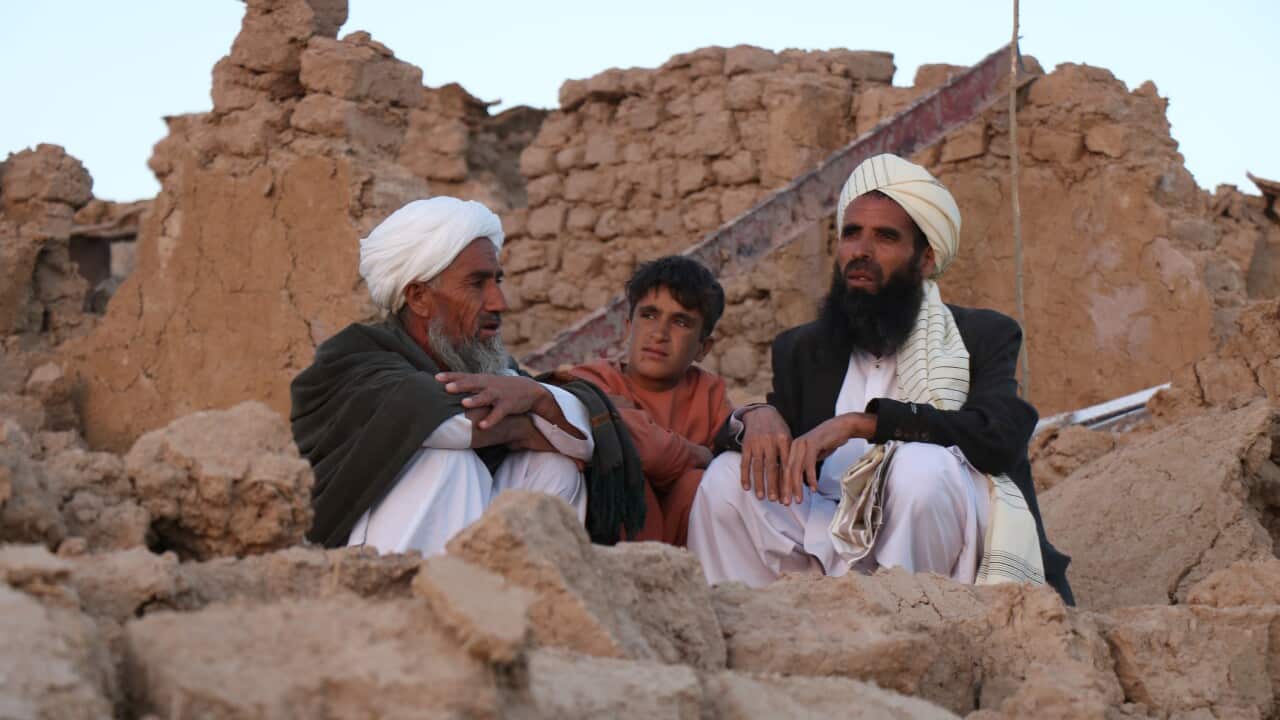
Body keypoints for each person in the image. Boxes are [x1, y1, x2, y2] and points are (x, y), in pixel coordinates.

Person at [687, 153, 1072, 603]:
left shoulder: (981, 334)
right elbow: (756, 438)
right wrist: (756, 415)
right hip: (826, 533)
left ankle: (904, 625)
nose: (861, 252)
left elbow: (1001, 434)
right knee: (728, 477)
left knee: (920, 467)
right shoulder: (804, 348)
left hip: (944, 550)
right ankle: (742, 624)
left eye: (885, 237)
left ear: (925, 259)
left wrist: (861, 423)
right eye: (851, 234)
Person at [291, 197, 621, 557]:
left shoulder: (479, 362)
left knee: (554, 469)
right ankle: (407, 599)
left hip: (474, 556)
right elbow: (445, 423)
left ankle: (519, 604)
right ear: (418, 297)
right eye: (477, 284)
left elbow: (581, 437)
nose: (499, 302)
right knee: (449, 459)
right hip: (357, 557)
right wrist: (523, 429)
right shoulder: (355, 356)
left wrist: (536, 395)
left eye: (497, 280)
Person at [570, 256, 734, 546]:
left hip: (686, 557)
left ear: (703, 348)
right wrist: (700, 455)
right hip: (608, 550)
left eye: (680, 322)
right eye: (648, 315)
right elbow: (649, 450)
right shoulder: (595, 381)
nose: (659, 334)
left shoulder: (709, 394)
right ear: (627, 327)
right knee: (625, 474)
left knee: (699, 485)